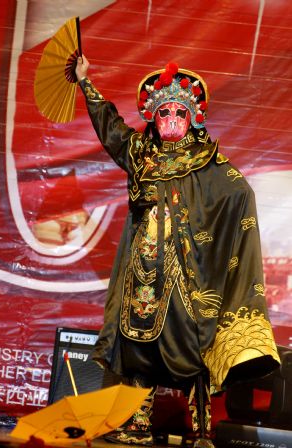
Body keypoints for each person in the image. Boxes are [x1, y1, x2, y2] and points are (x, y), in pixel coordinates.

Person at [75, 56, 280, 447]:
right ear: (153, 116)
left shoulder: (208, 162)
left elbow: (240, 193)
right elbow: (111, 129)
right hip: (144, 272)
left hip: (189, 274)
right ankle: (137, 422)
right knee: (138, 343)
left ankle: (201, 427)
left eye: (179, 111)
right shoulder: (140, 156)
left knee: (193, 344)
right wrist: (86, 81)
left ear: (192, 117)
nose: (170, 117)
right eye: (163, 111)